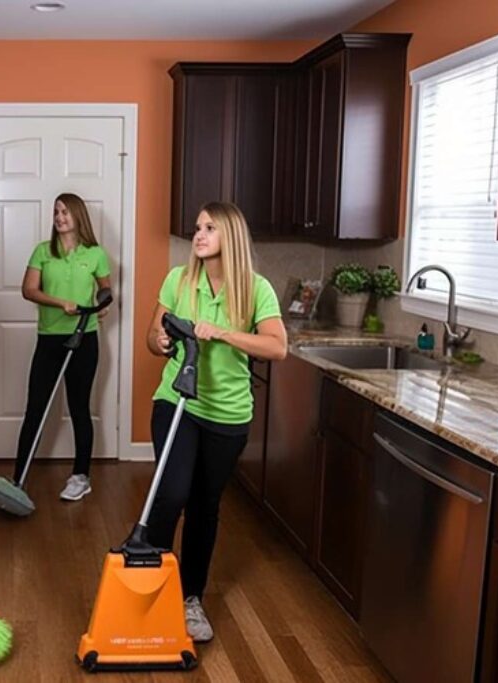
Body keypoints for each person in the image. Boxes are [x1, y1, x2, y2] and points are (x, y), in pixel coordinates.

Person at [144, 202, 287, 643]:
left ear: (232, 235)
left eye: (210, 227)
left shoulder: (256, 289)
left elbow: (277, 347)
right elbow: (151, 337)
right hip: (177, 402)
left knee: (204, 506)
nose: (199, 235)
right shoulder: (179, 280)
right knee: (171, 494)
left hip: (228, 414)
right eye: (197, 228)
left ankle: (190, 598)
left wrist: (223, 333)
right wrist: (160, 339)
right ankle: (149, 587)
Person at [15, 193, 112, 501]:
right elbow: (29, 290)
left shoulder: (95, 253)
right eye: (56, 212)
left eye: (65, 212)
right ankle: (18, 479)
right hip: (50, 339)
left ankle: (80, 476)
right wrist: (60, 303)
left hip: (85, 339)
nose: (59, 217)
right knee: (36, 408)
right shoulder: (43, 251)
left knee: (79, 407)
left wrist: (103, 304)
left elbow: (106, 288)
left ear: (78, 216)